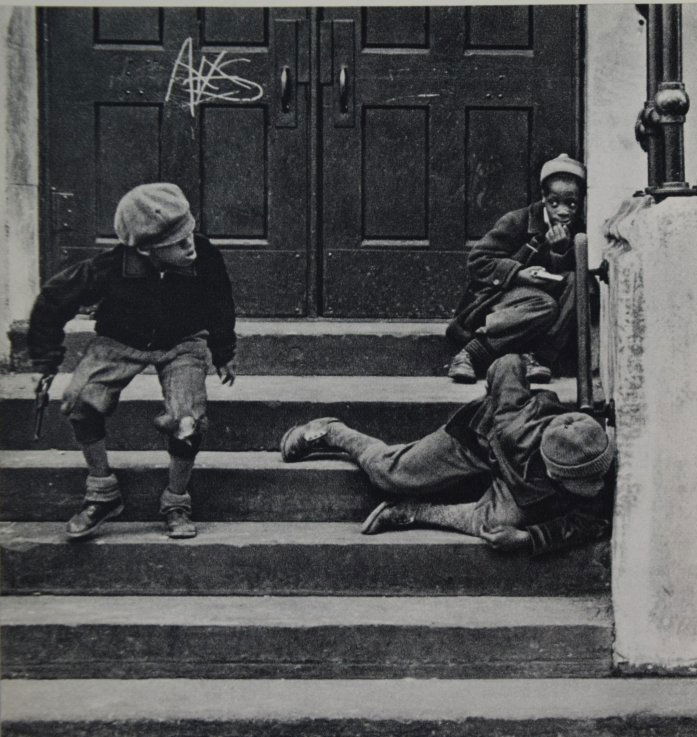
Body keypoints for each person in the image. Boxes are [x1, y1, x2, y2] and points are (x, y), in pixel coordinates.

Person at [27, 182, 237, 540]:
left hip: (182, 341)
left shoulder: (204, 255)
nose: (191, 245)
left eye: (190, 233)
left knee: (188, 417)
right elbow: (54, 298)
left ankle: (176, 501)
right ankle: (102, 492)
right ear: (146, 249)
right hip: (120, 340)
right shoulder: (110, 267)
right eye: (178, 242)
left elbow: (221, 302)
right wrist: (47, 357)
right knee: (79, 398)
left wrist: (223, 351)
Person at [279, 353, 614, 555]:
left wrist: (528, 538)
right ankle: (334, 431)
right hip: (475, 443)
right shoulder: (514, 426)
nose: (594, 487)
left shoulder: (592, 454)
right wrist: (520, 367)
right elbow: (506, 365)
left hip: (516, 486)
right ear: (556, 474)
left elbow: (590, 522)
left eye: (595, 478)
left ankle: (413, 513)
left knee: (496, 528)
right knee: (389, 473)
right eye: (583, 483)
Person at [445, 153, 586, 384]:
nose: (562, 211)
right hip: (501, 299)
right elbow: (478, 260)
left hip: (535, 310)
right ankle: (470, 353)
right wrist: (518, 274)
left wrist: (560, 252)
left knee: (577, 280)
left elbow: (567, 283)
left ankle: (540, 358)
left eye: (571, 204)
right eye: (554, 203)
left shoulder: (577, 230)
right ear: (543, 198)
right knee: (545, 305)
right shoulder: (518, 221)